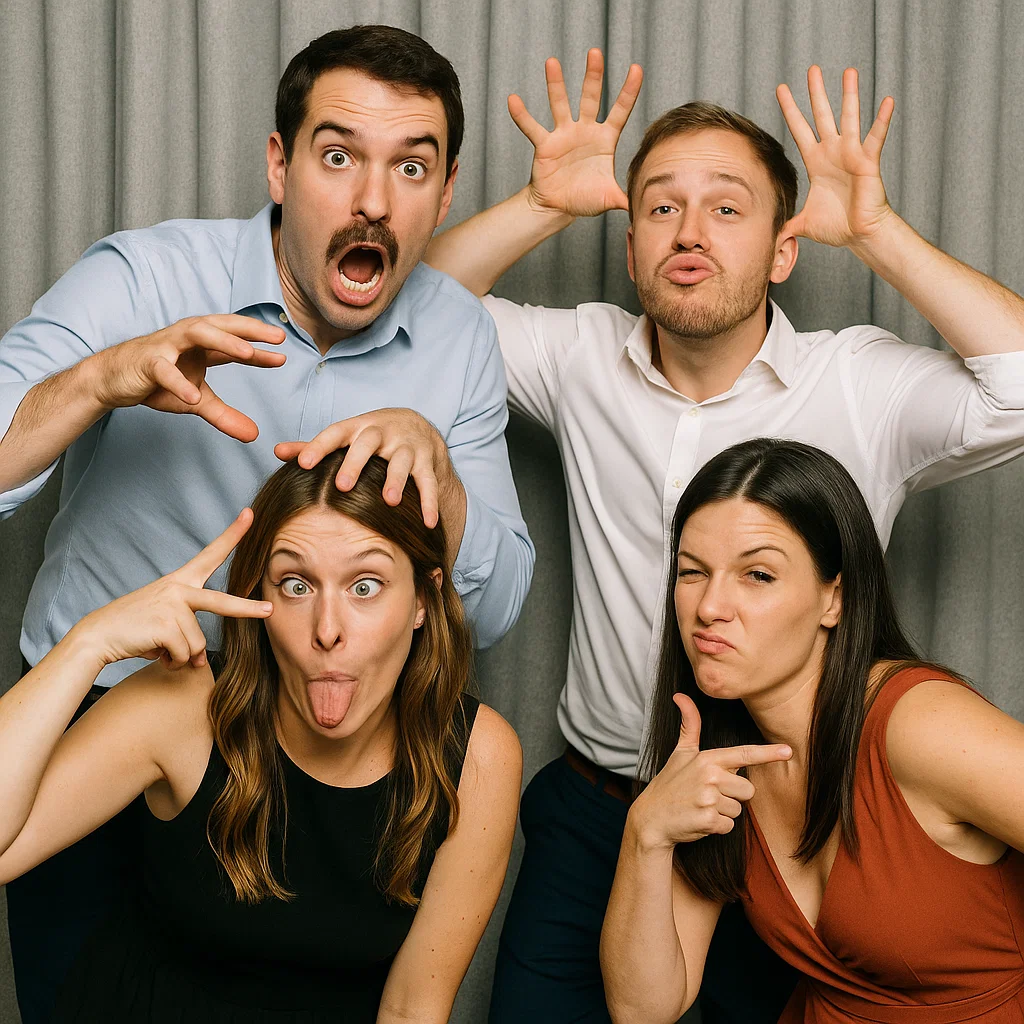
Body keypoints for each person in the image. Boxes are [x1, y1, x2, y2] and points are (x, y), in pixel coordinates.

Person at [425, 53, 1024, 1023]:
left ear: (784, 249)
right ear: (627, 246)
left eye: (727, 208)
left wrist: (876, 234)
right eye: (659, 208)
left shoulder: (858, 383)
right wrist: (541, 204)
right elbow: (413, 318)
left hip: (791, 814)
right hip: (603, 801)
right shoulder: (580, 355)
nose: (689, 232)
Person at [0, 24, 534, 1021]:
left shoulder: (456, 335)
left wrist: (447, 490)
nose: (374, 198)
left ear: (446, 190)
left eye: (409, 167)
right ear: (280, 165)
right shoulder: (145, 278)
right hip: (112, 713)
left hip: (314, 744)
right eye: (339, 156)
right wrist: (97, 382)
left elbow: (489, 609)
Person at [0, 448, 522, 1022]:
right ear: (260, 598)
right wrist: (89, 643)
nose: (328, 630)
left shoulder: (479, 758)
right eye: (297, 585)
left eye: (365, 586)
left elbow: (412, 1008)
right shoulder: (184, 704)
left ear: (423, 599)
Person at [601, 436, 1024, 1023]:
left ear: (835, 597)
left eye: (757, 575)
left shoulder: (918, 724)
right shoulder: (714, 754)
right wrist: (645, 832)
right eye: (693, 572)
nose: (709, 607)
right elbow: (643, 1010)